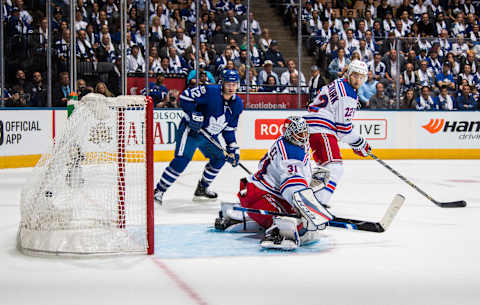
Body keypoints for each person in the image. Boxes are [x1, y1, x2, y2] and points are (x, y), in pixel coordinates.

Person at [214, 116, 331, 250]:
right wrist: (305, 206)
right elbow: (291, 185)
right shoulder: (290, 151)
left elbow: (292, 175)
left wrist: (308, 180)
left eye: (305, 133)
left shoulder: (291, 143)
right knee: (297, 225)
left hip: (265, 192)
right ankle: (276, 234)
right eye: (299, 134)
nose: (303, 137)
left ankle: (242, 217)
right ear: (289, 133)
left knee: (302, 221)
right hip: (258, 196)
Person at [154, 70, 244, 204]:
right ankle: (159, 191)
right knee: (182, 160)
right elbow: (185, 97)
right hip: (191, 131)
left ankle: (202, 188)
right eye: (228, 84)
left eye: (234, 84)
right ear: (222, 84)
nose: (231, 87)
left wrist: (232, 148)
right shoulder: (210, 91)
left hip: (209, 136)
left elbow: (229, 130)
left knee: (220, 158)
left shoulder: (237, 104)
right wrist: (193, 114)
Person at [304, 60, 371, 208]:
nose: (358, 80)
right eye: (355, 76)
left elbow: (341, 125)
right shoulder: (348, 95)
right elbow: (343, 130)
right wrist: (360, 143)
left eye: (362, 77)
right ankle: (317, 206)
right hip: (321, 128)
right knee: (335, 168)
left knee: (324, 168)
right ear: (349, 74)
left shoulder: (339, 82)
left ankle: (309, 197)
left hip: (313, 126)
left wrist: (356, 143)